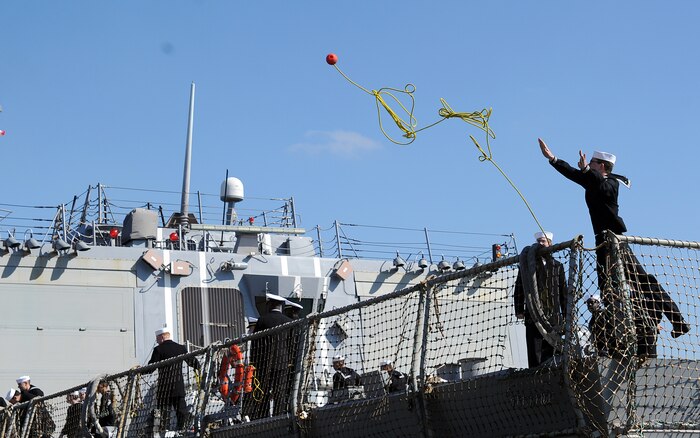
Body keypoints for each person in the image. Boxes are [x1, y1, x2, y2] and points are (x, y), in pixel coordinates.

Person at [538, 139, 690, 358]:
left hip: (615, 244)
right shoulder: (593, 180)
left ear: (602, 166)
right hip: (604, 244)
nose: (587, 163)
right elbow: (573, 174)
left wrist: (586, 170)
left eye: (592, 162)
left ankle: (676, 322)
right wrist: (552, 159)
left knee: (640, 284)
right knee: (611, 290)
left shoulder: (612, 184)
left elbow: (601, 186)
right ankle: (612, 342)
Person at [513, 231, 568, 367]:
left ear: (550, 244)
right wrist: (519, 309)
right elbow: (520, 287)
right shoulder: (527, 267)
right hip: (533, 316)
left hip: (553, 316)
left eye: (543, 241)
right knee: (534, 352)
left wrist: (567, 315)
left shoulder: (557, 267)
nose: (540, 244)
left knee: (552, 350)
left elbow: (563, 293)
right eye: (539, 242)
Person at [249, 293, 293, 418]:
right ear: (280, 306)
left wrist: (254, 361)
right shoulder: (288, 322)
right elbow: (291, 343)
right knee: (280, 391)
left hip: (264, 362)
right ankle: (278, 417)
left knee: (264, 390)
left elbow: (255, 342)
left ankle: (264, 416)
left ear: (271, 304)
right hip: (283, 362)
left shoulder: (262, 320)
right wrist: (289, 360)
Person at [147, 326, 200, 432]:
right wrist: (199, 367)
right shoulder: (181, 348)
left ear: (162, 337)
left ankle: (163, 431)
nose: (157, 342)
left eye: (157, 339)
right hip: (178, 387)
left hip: (164, 388)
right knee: (181, 412)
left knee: (162, 413)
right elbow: (193, 363)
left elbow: (150, 368)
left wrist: (140, 371)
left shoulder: (158, 350)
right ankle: (182, 430)